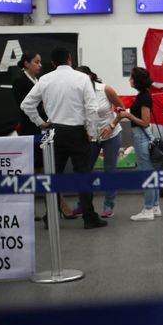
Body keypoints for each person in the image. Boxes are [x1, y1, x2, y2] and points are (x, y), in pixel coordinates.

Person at [20, 47, 107, 229]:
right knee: (83, 176)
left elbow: (26, 104)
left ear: (52, 63)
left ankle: (49, 217)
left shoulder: (45, 79)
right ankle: (89, 217)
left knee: (51, 177)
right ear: (69, 59)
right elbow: (91, 109)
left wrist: (41, 122)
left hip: (53, 132)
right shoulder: (82, 78)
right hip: (77, 132)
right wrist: (91, 132)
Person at [12, 51, 76, 221]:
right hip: (30, 131)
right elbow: (25, 106)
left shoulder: (39, 81)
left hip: (44, 130)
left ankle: (58, 207)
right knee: (34, 171)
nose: (40, 65)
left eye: (40, 62)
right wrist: (40, 121)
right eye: (36, 62)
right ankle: (40, 209)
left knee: (47, 169)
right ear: (26, 63)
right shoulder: (20, 81)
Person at [76, 66, 124, 218]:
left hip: (111, 135)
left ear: (90, 76)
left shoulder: (105, 89)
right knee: (85, 171)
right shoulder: (77, 93)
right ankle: (83, 205)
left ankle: (108, 205)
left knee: (109, 171)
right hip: (91, 137)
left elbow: (122, 109)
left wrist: (112, 125)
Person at [118, 67, 160, 222]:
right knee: (151, 174)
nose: (129, 80)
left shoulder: (144, 98)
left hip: (141, 138)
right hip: (141, 138)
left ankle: (148, 209)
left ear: (137, 80)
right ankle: (155, 206)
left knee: (147, 175)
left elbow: (145, 122)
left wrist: (128, 115)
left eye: (131, 77)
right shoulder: (142, 96)